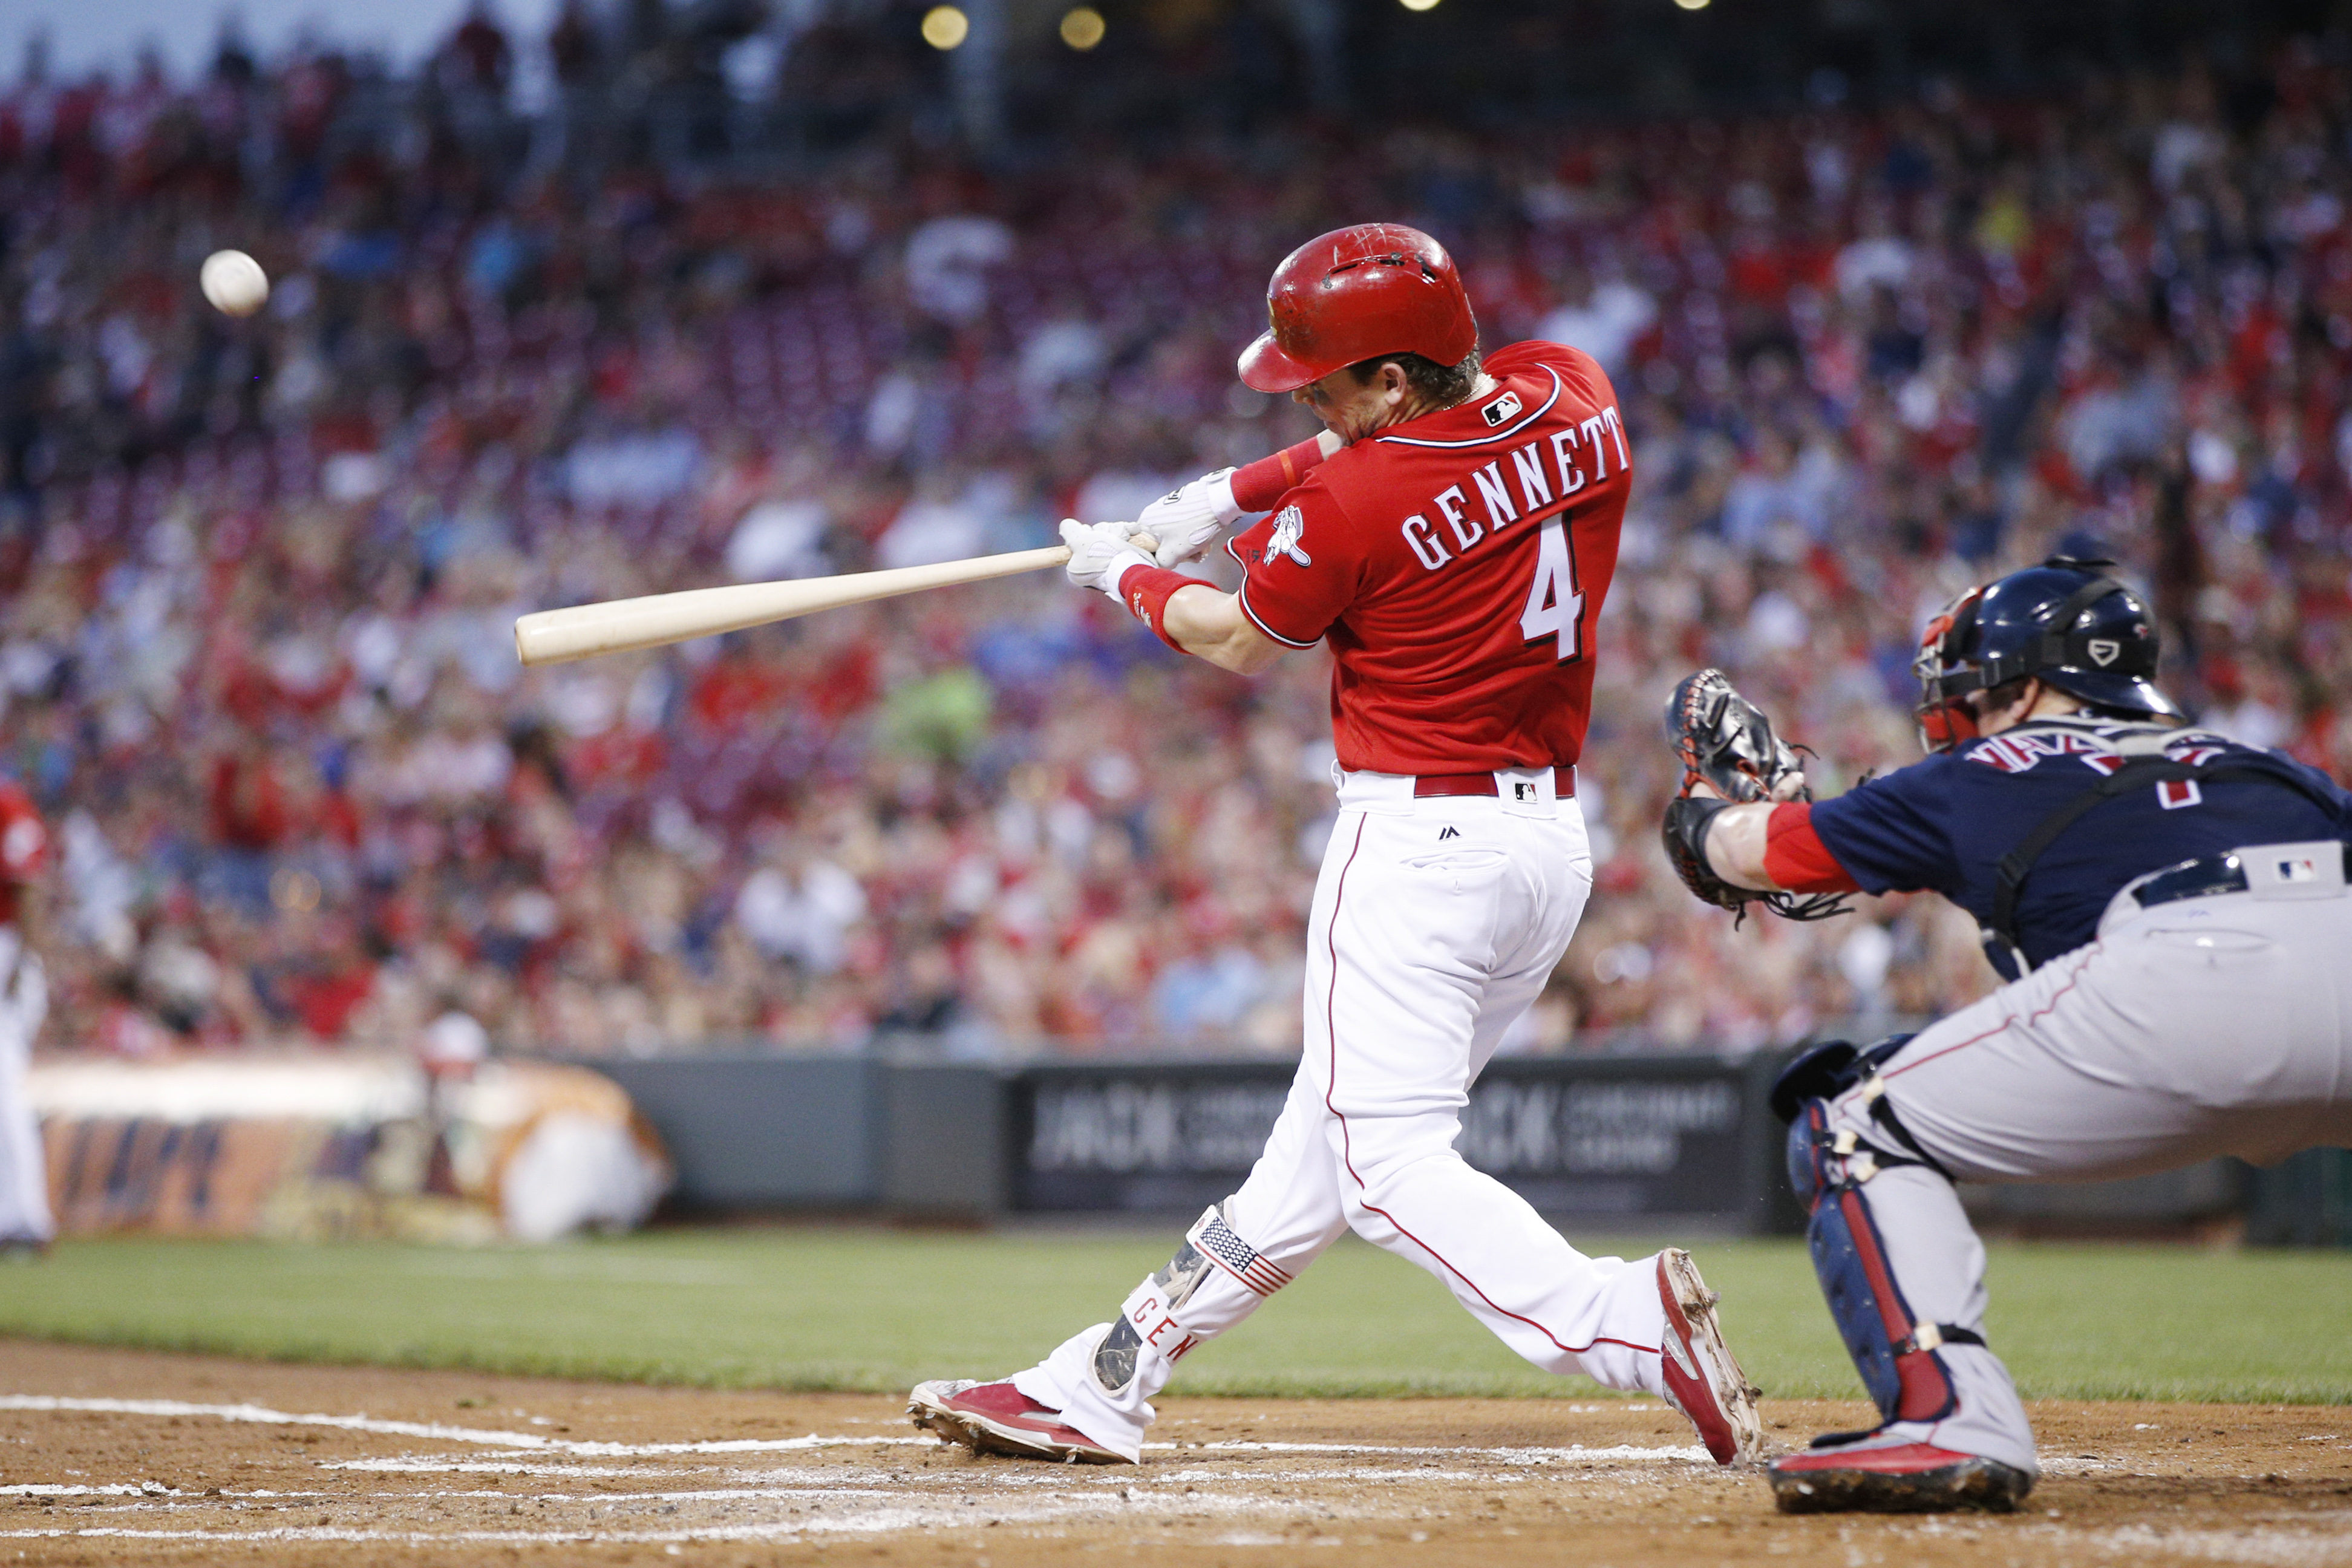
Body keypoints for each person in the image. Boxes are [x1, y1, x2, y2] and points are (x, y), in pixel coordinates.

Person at [909, 223, 1763, 1469]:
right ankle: (1106, 1377)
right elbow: (1414, 441)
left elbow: (1244, 636)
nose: (1310, 398)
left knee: (1383, 1166)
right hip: (1543, 850)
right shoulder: (1573, 389)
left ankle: (1623, 1324)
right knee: (1314, 1159)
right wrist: (1237, 490)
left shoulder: (1356, 498)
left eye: (1329, 381)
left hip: (1418, 844)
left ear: (1394, 380)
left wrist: (1125, 576)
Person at [1660, 557, 2352, 1513]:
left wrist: (1703, 816)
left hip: (2180, 975)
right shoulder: (2267, 766)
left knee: (1851, 1122)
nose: (1963, 713)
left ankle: (1953, 1419)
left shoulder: (1988, 768)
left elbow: (1767, 855)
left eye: (1977, 693)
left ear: (2027, 686)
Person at [0, 779, 50, 1255]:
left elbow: (30, 886)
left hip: (8, 951)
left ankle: (26, 1218)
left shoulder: (10, 805)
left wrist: (23, 965)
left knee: (3, 1086)